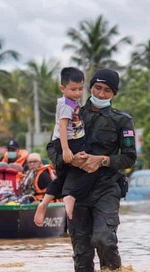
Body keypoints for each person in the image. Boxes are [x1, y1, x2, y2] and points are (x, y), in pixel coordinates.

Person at [39, 68, 137, 272]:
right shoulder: (72, 112)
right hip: (77, 189)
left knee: (104, 239)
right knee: (82, 252)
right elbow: (52, 146)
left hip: (106, 188)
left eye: (107, 90)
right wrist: (70, 160)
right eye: (97, 88)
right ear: (90, 88)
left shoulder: (122, 121)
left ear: (114, 94)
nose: (101, 94)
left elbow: (129, 157)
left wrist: (101, 161)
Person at [36, 67, 90, 220]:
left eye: (81, 89)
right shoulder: (67, 105)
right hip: (69, 142)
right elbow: (62, 127)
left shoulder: (71, 101)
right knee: (80, 169)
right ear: (62, 88)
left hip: (68, 141)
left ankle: (44, 203)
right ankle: (69, 197)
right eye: (73, 89)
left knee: (61, 178)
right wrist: (66, 150)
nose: (78, 93)